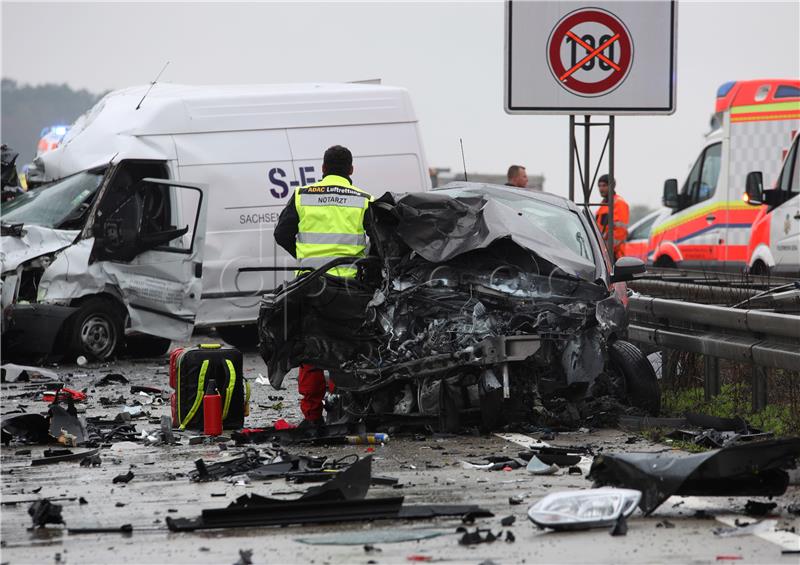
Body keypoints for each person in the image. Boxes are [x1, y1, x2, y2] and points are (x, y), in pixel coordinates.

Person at [274, 145, 372, 427]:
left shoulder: (302, 196)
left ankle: (313, 416)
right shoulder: (364, 200)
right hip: (349, 289)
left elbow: (282, 233)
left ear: (323, 169)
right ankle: (344, 411)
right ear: (351, 170)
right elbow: (379, 241)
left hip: (310, 285)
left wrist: (305, 257)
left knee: (310, 351)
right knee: (348, 350)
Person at [594, 174, 630, 260]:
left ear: (612, 186)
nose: (601, 189)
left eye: (604, 185)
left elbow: (620, 232)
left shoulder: (619, 203)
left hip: (615, 254)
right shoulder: (603, 204)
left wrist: (607, 248)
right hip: (604, 253)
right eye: (599, 186)